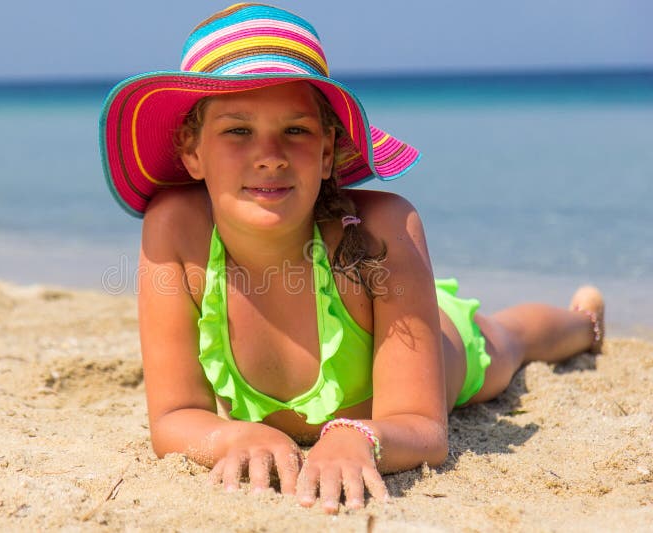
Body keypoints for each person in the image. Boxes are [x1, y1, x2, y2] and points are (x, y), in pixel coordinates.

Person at [98, 3, 605, 514]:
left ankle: (586, 322)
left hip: (430, 345)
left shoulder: (385, 230)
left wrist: (357, 436)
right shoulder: (175, 231)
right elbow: (175, 415)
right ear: (192, 152)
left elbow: (424, 428)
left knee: (506, 342)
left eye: (295, 130)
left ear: (326, 153)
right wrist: (231, 438)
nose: (270, 154)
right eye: (238, 130)